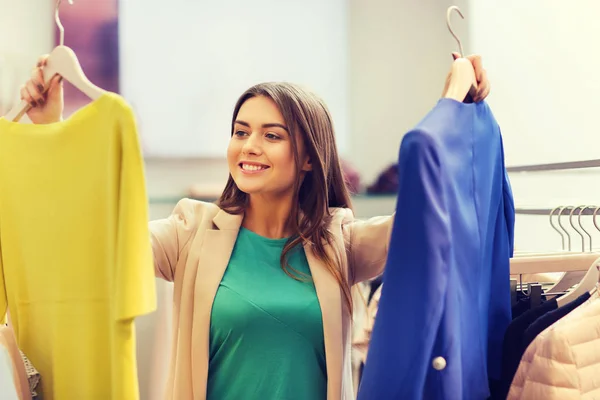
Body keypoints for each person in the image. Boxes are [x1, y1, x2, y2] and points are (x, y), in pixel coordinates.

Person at [20, 52, 490, 400]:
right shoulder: (191, 231)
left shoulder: (340, 239)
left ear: (308, 158)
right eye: (241, 131)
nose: (249, 146)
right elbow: (94, 242)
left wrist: (453, 106)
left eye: (272, 135)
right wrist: (48, 134)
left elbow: (428, 215)